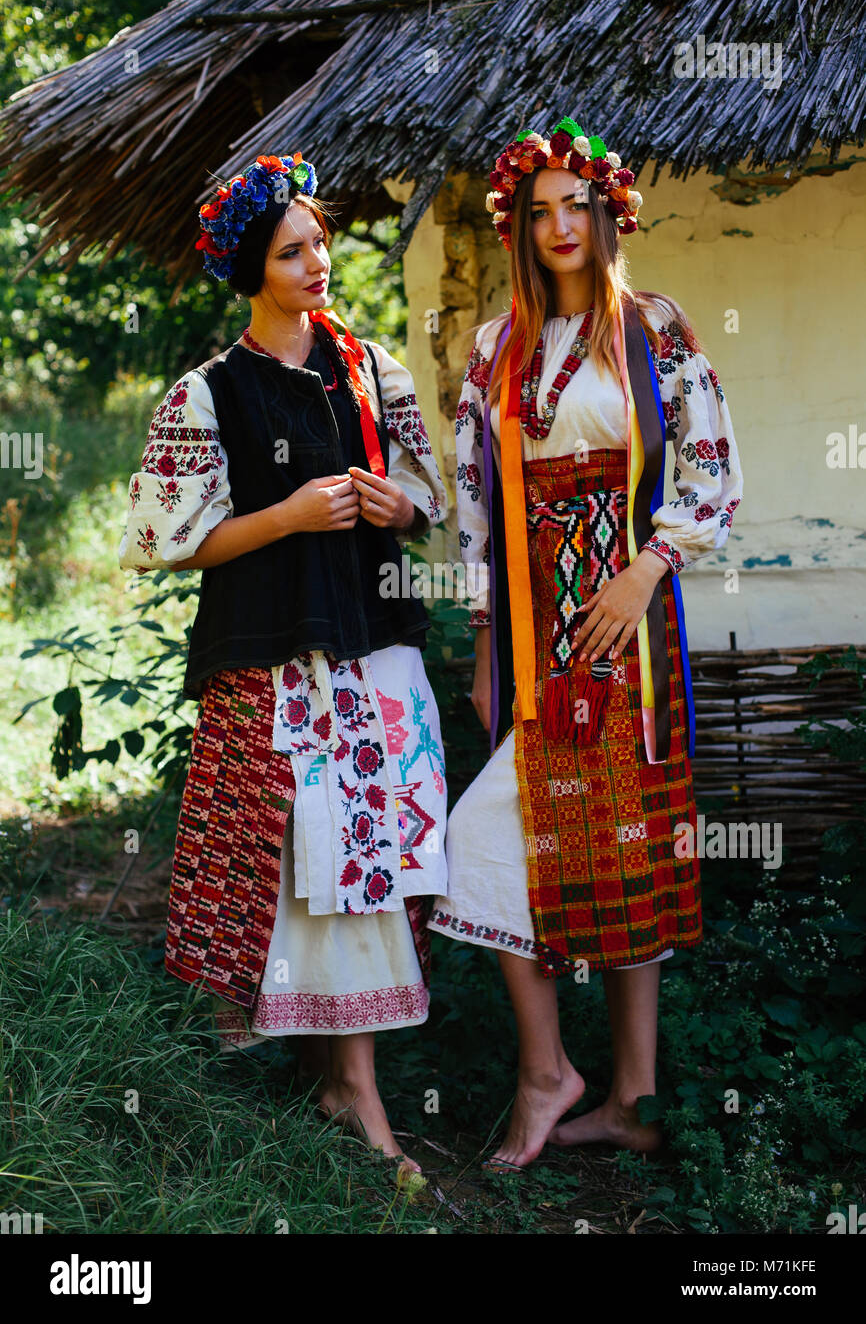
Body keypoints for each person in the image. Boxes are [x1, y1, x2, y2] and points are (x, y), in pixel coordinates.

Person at [118, 152, 448, 1182]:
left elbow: (426, 489)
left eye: (321, 242)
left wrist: (400, 505)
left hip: (375, 648)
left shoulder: (370, 369)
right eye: (292, 248)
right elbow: (172, 538)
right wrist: (290, 514)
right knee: (307, 857)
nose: (318, 261)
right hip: (274, 653)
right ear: (251, 269)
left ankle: (345, 1081)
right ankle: (346, 1086)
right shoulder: (210, 393)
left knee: (374, 860)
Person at [428, 118, 743, 1170]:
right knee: (483, 836)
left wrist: (647, 565)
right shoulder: (492, 350)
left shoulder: (653, 329)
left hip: (628, 622)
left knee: (626, 840)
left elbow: (711, 472)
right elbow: (476, 503)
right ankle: (543, 1071)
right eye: (539, 208)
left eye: (577, 204)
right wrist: (483, 641)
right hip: (534, 622)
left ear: (608, 213)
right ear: (518, 225)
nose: (559, 224)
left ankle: (635, 1098)